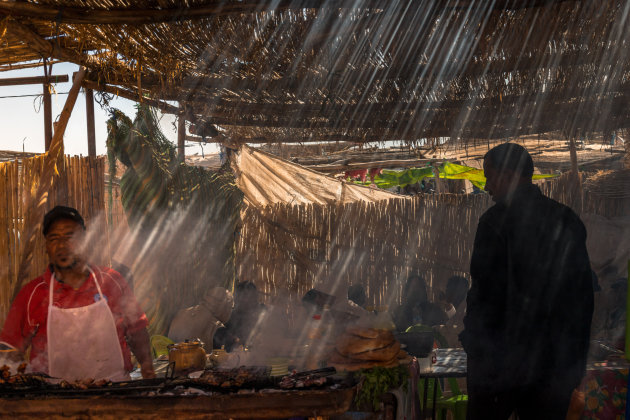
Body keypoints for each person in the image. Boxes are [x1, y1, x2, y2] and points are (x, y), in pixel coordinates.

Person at [460, 143, 594, 419]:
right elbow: (582, 299)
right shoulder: (567, 220)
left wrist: (477, 349)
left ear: (509, 174)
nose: (486, 186)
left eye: (489, 176)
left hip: (501, 367)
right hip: (555, 367)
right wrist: (574, 364)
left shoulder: (495, 222)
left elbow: (485, 296)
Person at [0, 206, 155, 381]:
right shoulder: (32, 294)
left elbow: (136, 330)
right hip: (52, 399)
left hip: (116, 392)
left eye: (69, 237)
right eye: (53, 238)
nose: (61, 245)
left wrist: (148, 370)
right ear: (46, 247)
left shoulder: (111, 282)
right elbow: (8, 350)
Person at [168, 287, 233, 350]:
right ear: (223, 306)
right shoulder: (217, 327)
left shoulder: (180, 313)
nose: (230, 312)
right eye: (231, 307)